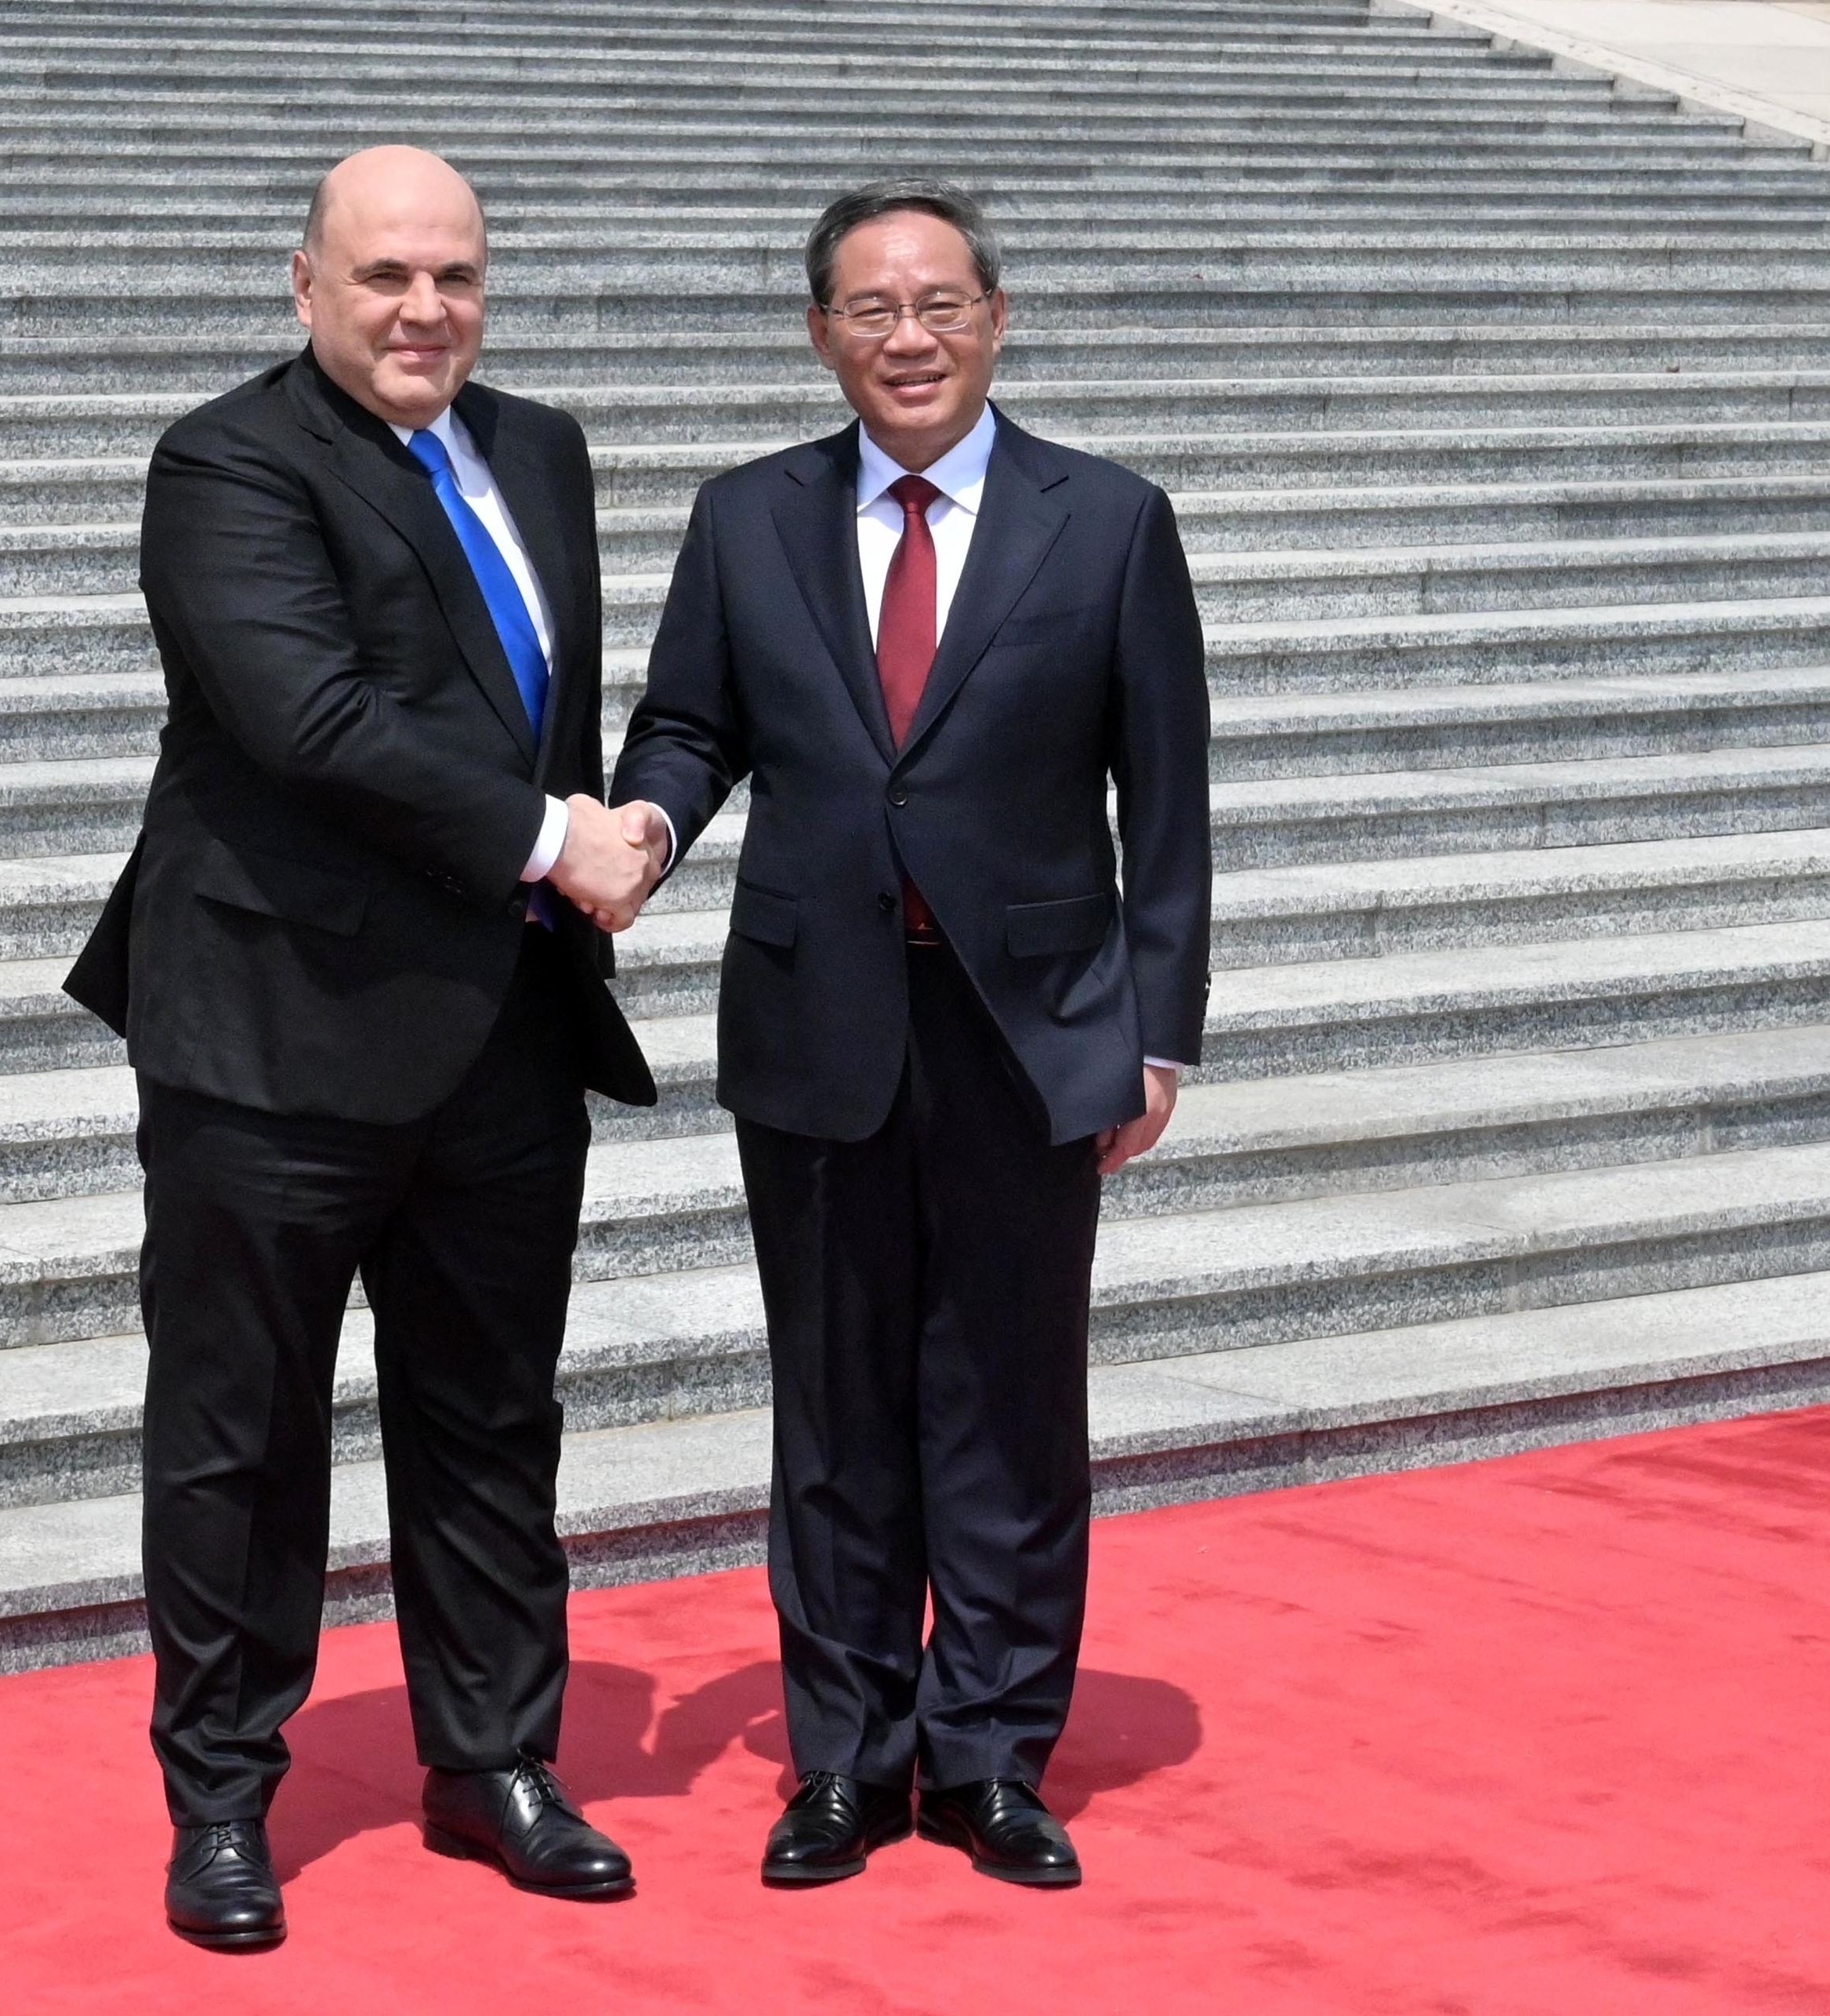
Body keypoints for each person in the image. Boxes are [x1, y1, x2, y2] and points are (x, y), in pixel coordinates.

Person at [63, 143, 664, 1951]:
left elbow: (543, 698)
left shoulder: (542, 448)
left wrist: (606, 832)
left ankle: (493, 1759)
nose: (426, 310)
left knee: (493, 1418)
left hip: (500, 1026)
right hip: (272, 1036)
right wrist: (561, 837)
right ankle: (225, 1796)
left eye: (457, 276)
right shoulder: (231, 460)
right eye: (388, 275)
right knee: (239, 1435)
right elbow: (310, 719)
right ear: (306, 284)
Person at [610, 177, 1212, 1890]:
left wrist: (1158, 1028)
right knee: (836, 1405)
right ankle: (846, 1757)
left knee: (1010, 1402)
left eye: (939, 303)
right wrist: (651, 827)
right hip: (819, 1023)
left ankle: (994, 1754)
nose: (909, 337)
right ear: (822, 336)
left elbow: (1165, 799)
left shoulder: (1104, 521)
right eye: (871, 310)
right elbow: (689, 721)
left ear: (997, 318)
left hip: (1033, 1024)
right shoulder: (747, 518)